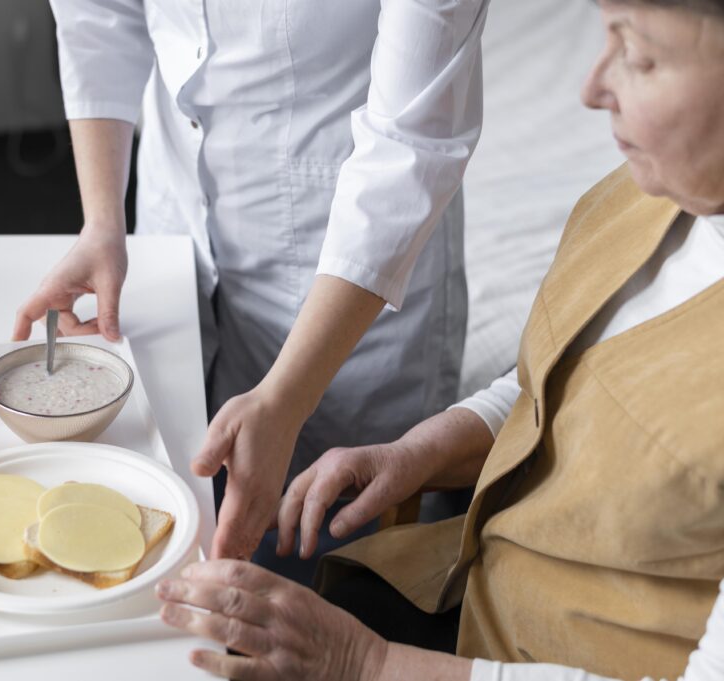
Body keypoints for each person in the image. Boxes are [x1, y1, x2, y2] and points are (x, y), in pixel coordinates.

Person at [155, 0, 724, 678]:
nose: (592, 88)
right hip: (471, 596)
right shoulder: (651, 195)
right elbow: (562, 380)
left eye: (640, 55)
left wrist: (363, 661)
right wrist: (423, 451)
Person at [13, 0, 489, 568]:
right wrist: (102, 223)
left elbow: (409, 143)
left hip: (347, 278)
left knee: (328, 559)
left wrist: (288, 398)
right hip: (175, 226)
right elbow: (100, 17)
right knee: (169, 518)